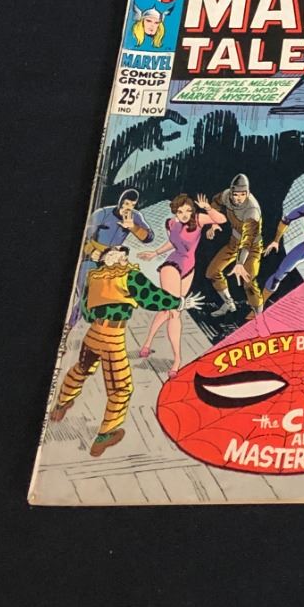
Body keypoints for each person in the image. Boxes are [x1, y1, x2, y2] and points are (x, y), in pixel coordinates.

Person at [50, 245, 179, 456]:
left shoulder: (94, 277)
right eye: (121, 256)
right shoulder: (129, 277)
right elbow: (152, 298)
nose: (124, 258)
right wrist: (179, 302)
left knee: (82, 369)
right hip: (112, 338)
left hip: (93, 334)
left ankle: (60, 406)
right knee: (121, 388)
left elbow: (87, 313)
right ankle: (104, 436)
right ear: (114, 259)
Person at [137, 192, 226, 374]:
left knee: (167, 309)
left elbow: (222, 219)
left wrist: (208, 208)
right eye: (180, 211)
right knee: (174, 311)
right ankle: (177, 359)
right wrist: (155, 253)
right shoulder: (171, 224)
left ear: (192, 210)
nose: (184, 214)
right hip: (172, 266)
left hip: (189, 268)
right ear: (175, 212)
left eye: (187, 210)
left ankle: (147, 342)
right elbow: (173, 243)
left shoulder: (198, 219)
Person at [71, 189, 153, 326]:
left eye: (132, 205)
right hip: (92, 259)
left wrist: (133, 227)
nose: (128, 208)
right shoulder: (103, 213)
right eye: (126, 204)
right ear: (120, 202)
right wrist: (91, 251)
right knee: (86, 294)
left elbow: (149, 237)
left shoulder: (134, 217)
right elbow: (83, 236)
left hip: (112, 262)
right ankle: (69, 326)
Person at [205, 173, 263, 315]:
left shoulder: (252, 210)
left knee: (248, 282)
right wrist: (214, 222)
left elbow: (247, 240)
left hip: (252, 247)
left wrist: (240, 263)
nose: (238, 198)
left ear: (247, 193)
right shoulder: (226, 196)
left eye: (242, 194)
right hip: (234, 242)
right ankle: (229, 304)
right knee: (212, 272)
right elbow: (215, 202)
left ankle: (259, 316)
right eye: (235, 194)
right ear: (231, 192)